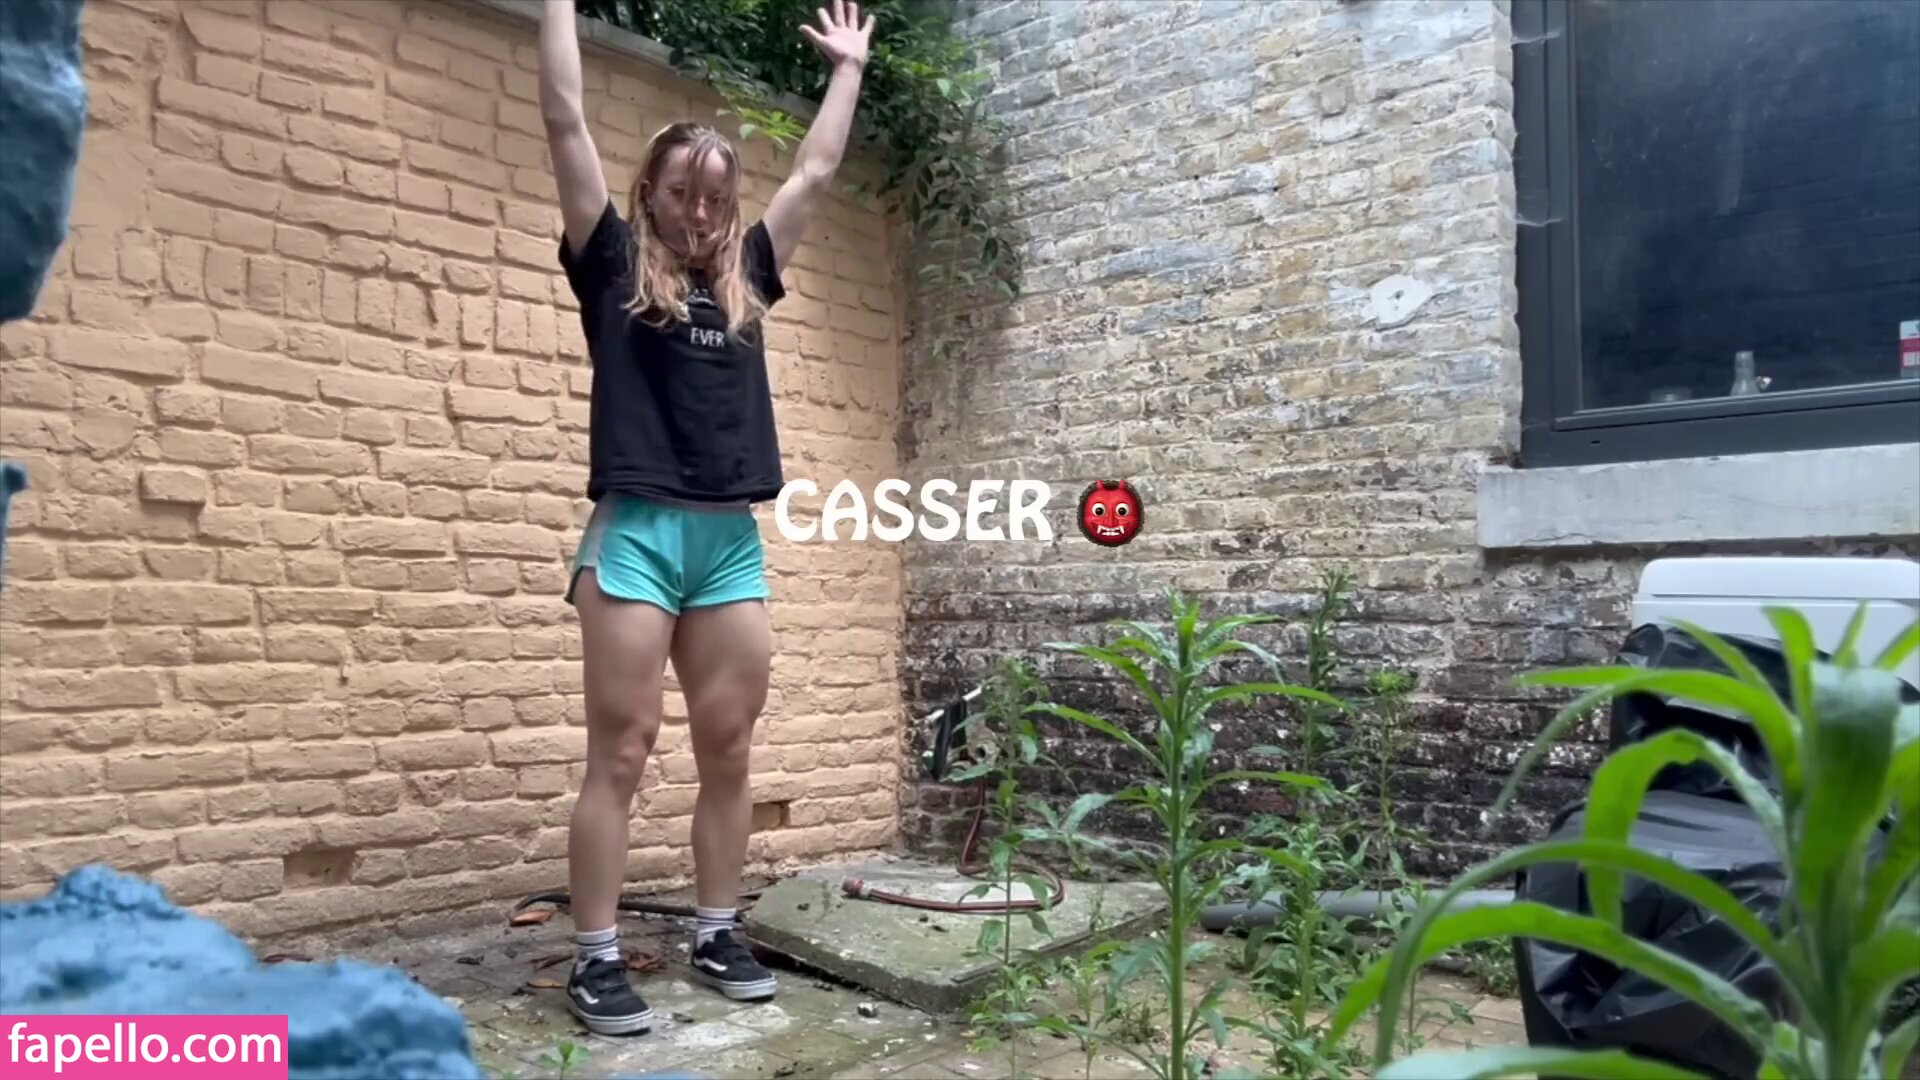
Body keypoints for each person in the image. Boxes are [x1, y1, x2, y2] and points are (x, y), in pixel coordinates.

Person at [536, 0, 873, 1038]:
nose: (699, 211)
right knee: (623, 748)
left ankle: (719, 932)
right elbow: (564, 117)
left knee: (728, 743)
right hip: (637, 532)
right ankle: (597, 957)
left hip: (727, 538)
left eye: (716, 197)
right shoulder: (608, 262)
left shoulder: (748, 280)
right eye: (682, 191)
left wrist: (848, 69)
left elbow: (815, 172)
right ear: (651, 191)